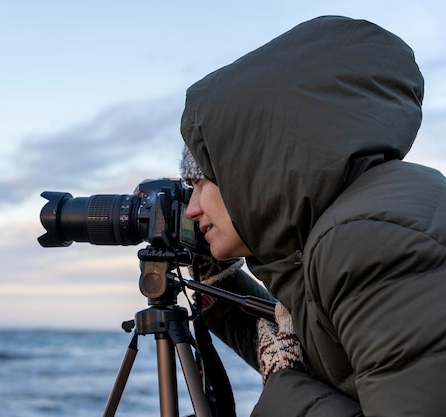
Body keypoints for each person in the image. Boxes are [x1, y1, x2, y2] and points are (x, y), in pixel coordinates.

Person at [179, 15, 446, 416]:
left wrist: (284, 390)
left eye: (201, 183)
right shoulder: (350, 225)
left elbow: (301, 378)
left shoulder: (367, 240)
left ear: (251, 170)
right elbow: (328, 361)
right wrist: (216, 283)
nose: (191, 209)